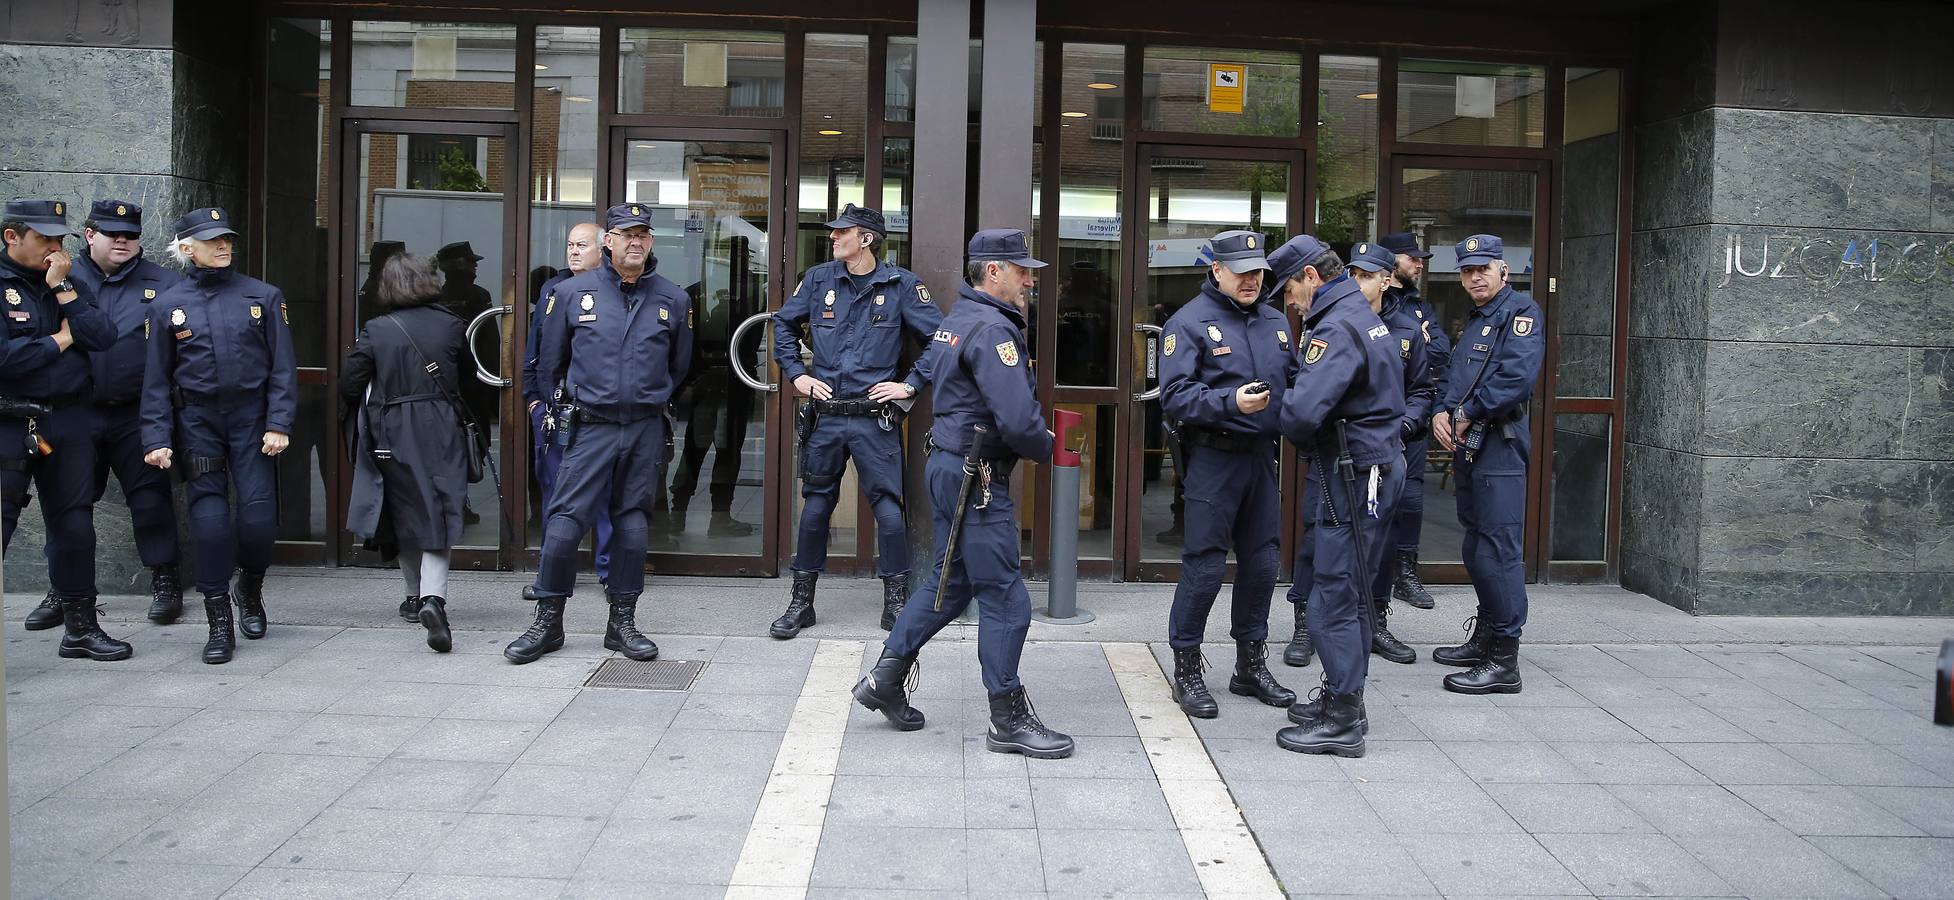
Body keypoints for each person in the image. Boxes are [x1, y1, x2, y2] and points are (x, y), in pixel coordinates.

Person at [852, 228, 1072, 760]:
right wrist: (1050, 448)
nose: (1029, 280)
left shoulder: (959, 319)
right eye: (1021, 270)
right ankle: (1007, 717)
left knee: (950, 583)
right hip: (977, 478)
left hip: (952, 466)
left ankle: (885, 677)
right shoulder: (993, 331)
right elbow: (1018, 419)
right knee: (1005, 597)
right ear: (992, 271)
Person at [506, 203, 690, 665]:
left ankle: (621, 623)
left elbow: (679, 366)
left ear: (650, 242)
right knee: (565, 523)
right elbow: (551, 363)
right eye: (625, 233)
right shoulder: (572, 293)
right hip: (590, 427)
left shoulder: (673, 299)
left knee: (631, 525)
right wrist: (558, 407)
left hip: (644, 427)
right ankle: (548, 622)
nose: (635, 241)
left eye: (643, 234)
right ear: (608, 242)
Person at [769, 203, 941, 638]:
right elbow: (783, 326)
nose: (833, 237)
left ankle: (896, 601)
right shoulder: (819, 279)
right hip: (826, 417)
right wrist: (797, 374)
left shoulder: (901, 285)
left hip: (873, 419)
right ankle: (801, 602)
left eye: (842, 231)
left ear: (866, 239)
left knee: (888, 511)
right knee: (815, 510)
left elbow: (942, 340)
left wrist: (910, 385)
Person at [141, 207, 298, 665]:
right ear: (186, 248)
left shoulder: (263, 296)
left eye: (226, 238)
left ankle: (249, 587)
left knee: (257, 518)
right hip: (198, 423)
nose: (223, 246)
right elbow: (155, 380)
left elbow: (283, 368)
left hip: (252, 421)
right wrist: (156, 437)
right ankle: (217, 622)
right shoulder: (167, 304)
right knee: (208, 523)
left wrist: (279, 422)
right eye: (212, 241)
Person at [1272, 236, 1404, 757]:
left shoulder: (1336, 327)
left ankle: (1342, 716)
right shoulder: (1359, 313)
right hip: (1366, 466)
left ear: (1310, 276)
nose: (1288, 301)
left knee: (1333, 592)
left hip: (1356, 473)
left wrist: (1278, 405)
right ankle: (1341, 696)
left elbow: (1302, 414)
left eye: (1289, 289)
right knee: (1344, 586)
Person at [1156, 230, 1297, 718]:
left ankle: (1250, 664)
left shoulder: (1276, 321)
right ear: (1217, 270)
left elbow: (1296, 380)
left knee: (1262, 563)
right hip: (1213, 458)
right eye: (1242, 272)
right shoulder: (1189, 322)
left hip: (1261, 456)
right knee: (1206, 565)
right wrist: (1228, 401)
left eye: (1257, 271)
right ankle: (1187, 665)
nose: (1252, 280)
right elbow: (1173, 396)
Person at [0, 199, 125, 660]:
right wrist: (62, 338)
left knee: (75, 522)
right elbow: (5, 361)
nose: (55, 248)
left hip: (68, 418)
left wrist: (64, 292)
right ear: (12, 236)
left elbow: (105, 336)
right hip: (10, 420)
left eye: (58, 238)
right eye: (44, 239)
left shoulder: (65, 282)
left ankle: (80, 627)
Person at [1430, 234, 1543, 694]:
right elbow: (1458, 378)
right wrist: (1441, 409)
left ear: (1503, 271)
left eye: (1484, 268)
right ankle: (1487, 636)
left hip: (1499, 445)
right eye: (1467, 270)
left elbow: (1515, 379)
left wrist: (1467, 413)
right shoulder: (1478, 319)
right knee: (1478, 549)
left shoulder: (1521, 313)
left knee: (1498, 551)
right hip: (1473, 447)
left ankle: (1504, 660)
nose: (1475, 276)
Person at [342, 255, 469, 653]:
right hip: (442, 425)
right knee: (439, 511)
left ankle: (415, 597)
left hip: (391, 428)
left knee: (403, 509)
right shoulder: (451, 325)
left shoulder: (377, 330)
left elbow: (349, 383)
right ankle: (434, 598)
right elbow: (469, 383)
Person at [71, 200, 185, 625]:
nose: (123, 240)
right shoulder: (63, 279)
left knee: (150, 501)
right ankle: (64, 592)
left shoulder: (164, 282)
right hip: (76, 413)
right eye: (112, 233)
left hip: (136, 414)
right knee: (71, 504)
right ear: (88, 234)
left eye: (131, 234)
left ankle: (165, 580)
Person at [522, 223, 610, 593]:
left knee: (606, 495)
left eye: (581, 245)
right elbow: (535, 351)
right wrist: (534, 402)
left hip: (600, 410)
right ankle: (552, 575)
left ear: (603, 249)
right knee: (556, 495)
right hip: (555, 409)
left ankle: (612, 574)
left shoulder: (617, 288)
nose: (573, 252)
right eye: (570, 245)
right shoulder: (552, 290)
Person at [1377, 231, 1450, 609]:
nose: (1419, 264)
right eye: (1412, 258)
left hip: (1413, 415)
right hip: (1373, 420)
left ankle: (1405, 572)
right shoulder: (1370, 299)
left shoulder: (1420, 307)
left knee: (1411, 496)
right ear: (1390, 263)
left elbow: (1439, 349)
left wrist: (1419, 340)